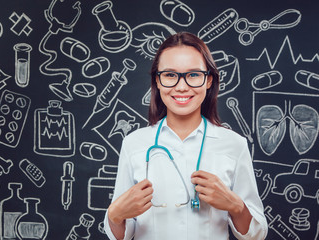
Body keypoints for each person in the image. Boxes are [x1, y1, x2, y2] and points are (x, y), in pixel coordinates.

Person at [103, 32, 268, 240]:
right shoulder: (134, 143)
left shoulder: (234, 145)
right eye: (170, 75)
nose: (182, 86)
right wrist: (115, 216)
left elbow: (257, 235)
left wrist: (235, 206)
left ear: (208, 80)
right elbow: (121, 235)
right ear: (158, 81)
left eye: (193, 75)